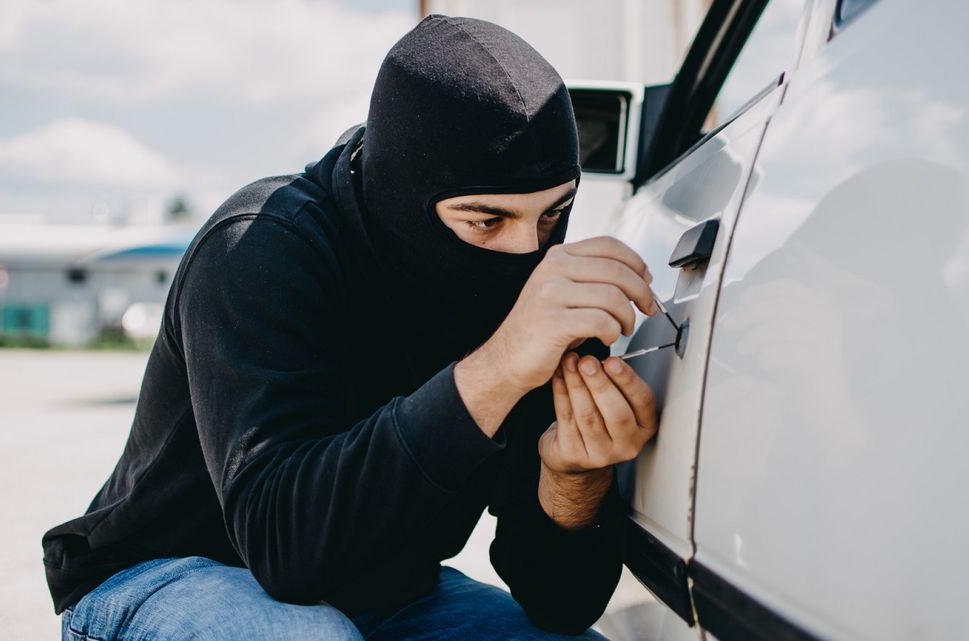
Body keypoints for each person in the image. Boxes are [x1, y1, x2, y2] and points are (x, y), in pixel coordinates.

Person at [43, 15, 658, 640]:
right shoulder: (260, 246)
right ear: (400, 195)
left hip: (385, 593)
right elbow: (285, 551)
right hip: (165, 576)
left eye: (552, 214)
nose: (528, 252)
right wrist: (497, 370)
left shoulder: (538, 281)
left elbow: (561, 605)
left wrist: (572, 482)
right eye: (484, 221)